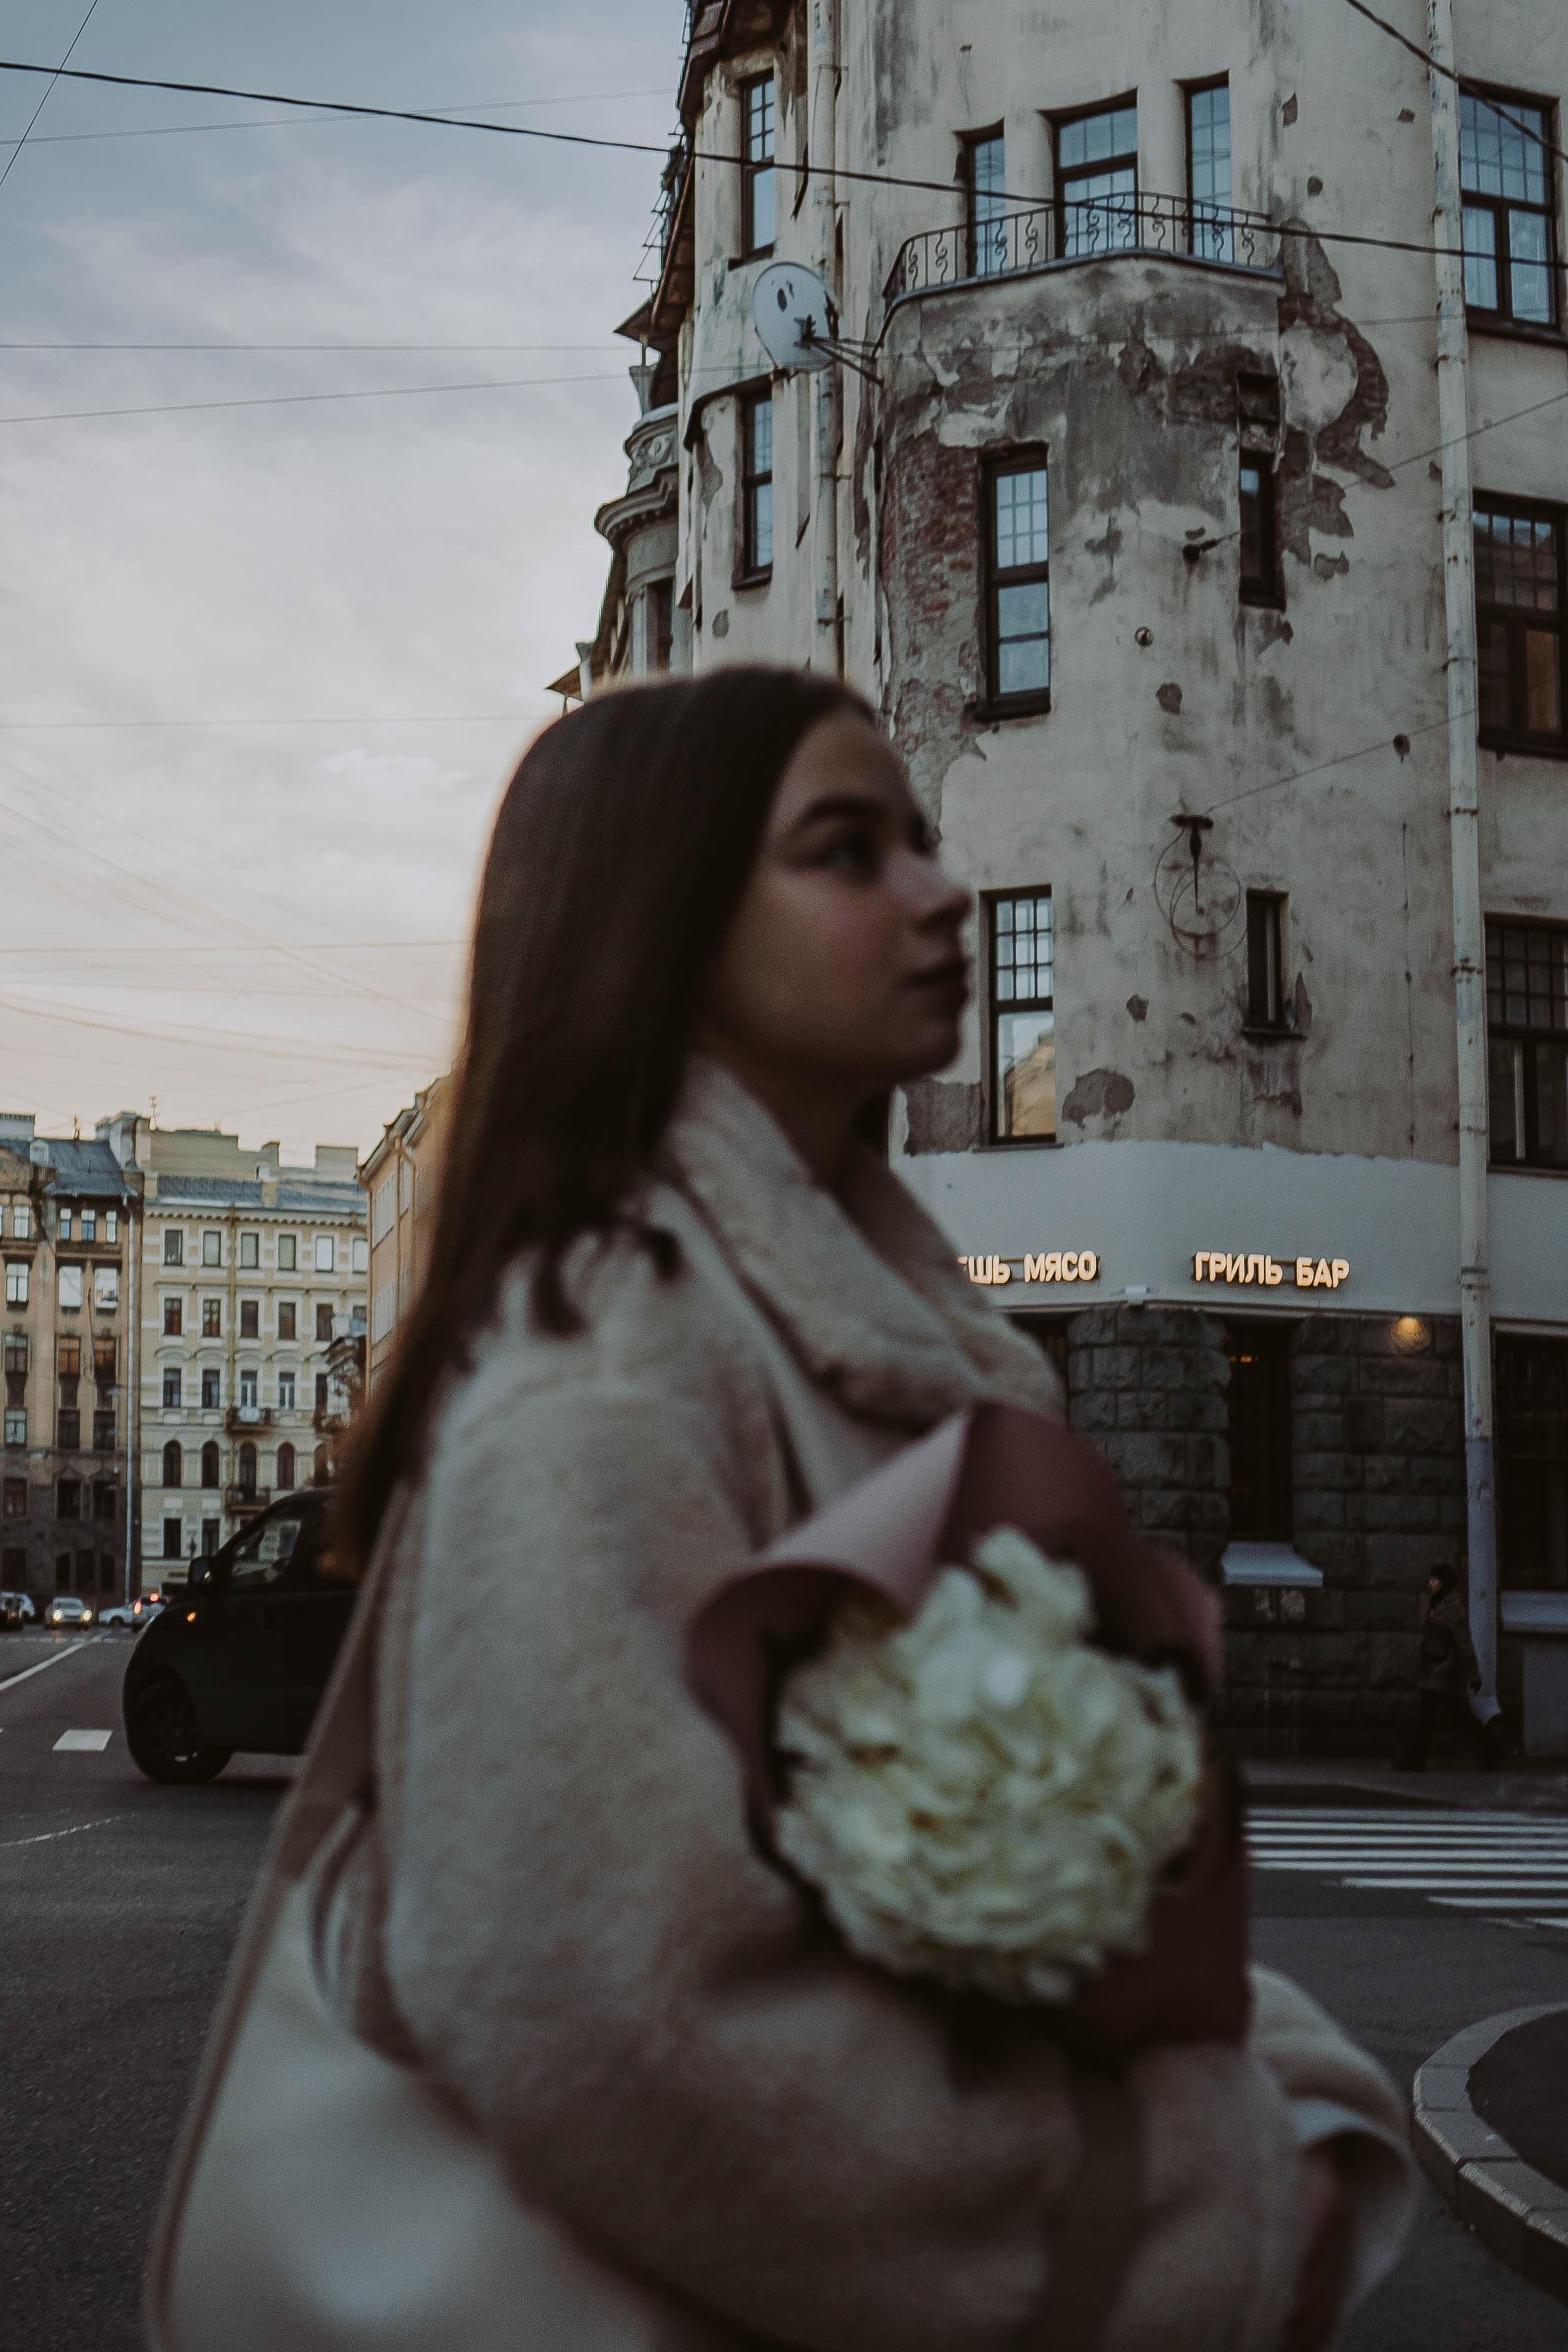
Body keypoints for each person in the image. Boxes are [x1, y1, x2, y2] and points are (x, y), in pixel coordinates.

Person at [334, 669, 1412, 2352]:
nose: (942, 891)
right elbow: (609, 2015)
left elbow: (1059, 1919)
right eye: (848, 851)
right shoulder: (610, 1370)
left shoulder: (865, 1330)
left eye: (920, 836)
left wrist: (1277, 2092)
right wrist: (1197, 2217)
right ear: (666, 924)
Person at [1398, 1563, 1496, 1771]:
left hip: (1445, 1670)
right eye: (1431, 1579)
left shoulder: (1452, 1609)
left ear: (1445, 1583)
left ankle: (1417, 1759)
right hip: (1434, 1669)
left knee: (1431, 1715)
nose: (1431, 1583)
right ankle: (1492, 1749)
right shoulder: (1437, 1604)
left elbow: (1464, 1644)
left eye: (1436, 1580)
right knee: (1456, 1715)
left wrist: (1473, 1675)